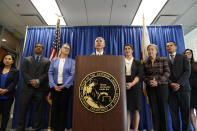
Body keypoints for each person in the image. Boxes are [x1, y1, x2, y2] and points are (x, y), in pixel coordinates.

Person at [17, 42, 50, 131]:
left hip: (40, 89)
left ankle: (37, 128)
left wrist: (38, 81)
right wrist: (32, 82)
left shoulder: (47, 61)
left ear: (43, 49)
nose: (38, 48)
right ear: (34, 49)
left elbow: (47, 74)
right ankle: (20, 128)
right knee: (23, 109)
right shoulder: (26, 59)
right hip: (27, 88)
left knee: (38, 111)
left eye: (40, 47)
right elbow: (24, 72)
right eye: (37, 47)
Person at [48, 43, 75, 131]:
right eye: (65, 47)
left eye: (68, 48)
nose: (67, 49)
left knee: (63, 109)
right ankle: (54, 128)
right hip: (55, 88)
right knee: (55, 109)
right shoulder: (54, 60)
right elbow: (50, 73)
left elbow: (72, 74)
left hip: (66, 88)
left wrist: (64, 85)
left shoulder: (72, 61)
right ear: (61, 49)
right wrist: (53, 85)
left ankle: (61, 128)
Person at [143, 44, 170, 131]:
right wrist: (148, 81)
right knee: (154, 110)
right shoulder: (145, 62)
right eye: (149, 50)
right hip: (150, 88)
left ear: (156, 51)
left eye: (152, 49)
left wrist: (157, 82)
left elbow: (167, 73)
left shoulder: (163, 59)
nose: (150, 51)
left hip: (162, 87)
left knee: (163, 109)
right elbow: (143, 76)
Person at [166, 41, 191, 131]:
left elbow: (187, 71)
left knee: (185, 113)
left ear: (176, 46)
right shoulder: (164, 60)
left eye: (171, 45)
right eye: (167, 46)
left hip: (184, 89)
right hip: (171, 91)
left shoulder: (183, 57)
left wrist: (179, 83)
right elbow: (164, 75)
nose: (169, 47)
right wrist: (171, 83)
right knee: (174, 114)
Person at [124, 44, 143, 131]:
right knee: (127, 110)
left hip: (135, 86)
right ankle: (127, 129)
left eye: (129, 49)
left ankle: (135, 129)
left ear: (132, 50)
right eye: (125, 49)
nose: (127, 50)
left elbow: (139, 75)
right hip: (123, 86)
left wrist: (131, 84)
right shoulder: (121, 61)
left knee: (136, 109)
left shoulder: (137, 62)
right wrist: (123, 84)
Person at [0, 54, 19, 131]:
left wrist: (6, 90)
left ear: (12, 61)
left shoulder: (15, 71)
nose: (7, 60)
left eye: (9, 59)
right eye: (5, 58)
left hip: (8, 96)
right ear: (3, 60)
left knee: (5, 114)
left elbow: (14, 83)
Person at [184, 49, 197, 131]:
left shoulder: (195, 64)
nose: (188, 54)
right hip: (188, 90)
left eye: (189, 53)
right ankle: (195, 129)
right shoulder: (182, 65)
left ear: (192, 55)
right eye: (186, 53)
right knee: (191, 110)